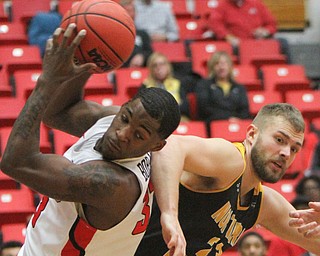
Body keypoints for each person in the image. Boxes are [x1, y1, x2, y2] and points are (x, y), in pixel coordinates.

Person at [0, 24, 182, 255]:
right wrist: (89, 58)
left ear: (156, 146)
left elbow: (16, 162)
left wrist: (48, 81)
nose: (122, 133)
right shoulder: (110, 118)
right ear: (123, 108)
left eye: (138, 135)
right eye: (125, 118)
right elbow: (58, 113)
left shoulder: (113, 184)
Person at [135, 103, 320, 255]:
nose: (286, 153)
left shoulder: (263, 204)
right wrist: (169, 214)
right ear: (252, 135)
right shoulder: (231, 161)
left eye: (295, 149)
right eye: (279, 140)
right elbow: (169, 147)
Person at [195, 51, 250, 134]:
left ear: (230, 66)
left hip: (237, 125)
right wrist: (228, 118)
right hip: (211, 126)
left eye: (224, 63)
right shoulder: (203, 85)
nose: (221, 67)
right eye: (217, 64)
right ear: (212, 67)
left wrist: (235, 119)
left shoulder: (239, 87)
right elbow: (204, 108)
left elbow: (245, 111)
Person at [139, 52, 190, 120]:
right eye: (155, 65)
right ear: (151, 69)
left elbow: (185, 107)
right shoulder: (145, 85)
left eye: (162, 64)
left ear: (168, 66)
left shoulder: (177, 83)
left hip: (176, 119)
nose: (159, 68)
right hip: (154, 121)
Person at [208, 0, 277, 48]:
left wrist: (265, 31)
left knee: (283, 43)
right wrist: (228, 37)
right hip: (237, 44)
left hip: (259, 42)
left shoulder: (256, 3)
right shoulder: (221, 6)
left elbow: (271, 23)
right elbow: (215, 24)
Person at [120, 0, 153, 68]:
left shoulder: (143, 34)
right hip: (121, 70)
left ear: (135, 13)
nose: (128, 14)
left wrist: (142, 56)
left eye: (130, 11)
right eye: (125, 11)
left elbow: (150, 52)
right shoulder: (114, 35)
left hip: (142, 71)